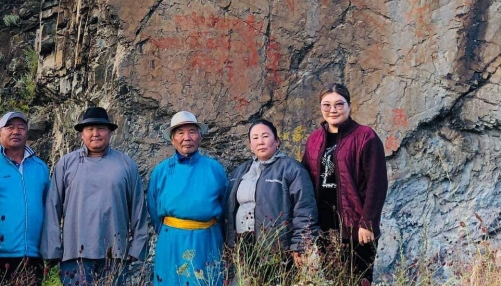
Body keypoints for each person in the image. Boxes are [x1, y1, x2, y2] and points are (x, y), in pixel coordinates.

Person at [40, 106, 149, 286]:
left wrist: (136, 247)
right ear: (82, 134)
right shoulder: (66, 164)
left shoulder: (126, 165)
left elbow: (138, 208)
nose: (95, 133)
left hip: (114, 254)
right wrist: (52, 249)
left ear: (110, 132)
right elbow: (53, 208)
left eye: (101, 128)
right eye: (90, 129)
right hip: (75, 254)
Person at [301, 83, 388, 285]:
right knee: (333, 280)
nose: (332, 110)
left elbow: (377, 183)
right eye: (327, 105)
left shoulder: (365, 136)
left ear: (349, 106)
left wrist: (368, 223)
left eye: (339, 104)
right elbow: (305, 179)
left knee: (359, 280)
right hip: (324, 224)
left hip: (356, 226)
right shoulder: (314, 139)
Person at [225, 119, 319, 283]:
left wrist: (300, 245)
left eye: (265, 136)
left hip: (276, 248)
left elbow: (304, 210)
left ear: (277, 141)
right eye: (255, 138)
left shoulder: (292, 169)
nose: (260, 142)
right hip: (243, 246)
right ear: (250, 145)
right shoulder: (239, 172)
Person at [147, 111, 228, 286]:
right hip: (171, 240)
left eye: (192, 132)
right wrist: (171, 230)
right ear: (172, 139)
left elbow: (225, 205)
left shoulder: (215, 169)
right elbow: (153, 208)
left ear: (199, 136)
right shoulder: (161, 171)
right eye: (180, 133)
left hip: (206, 240)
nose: (187, 138)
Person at [0, 111, 50, 286]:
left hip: (31, 255)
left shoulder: (40, 167)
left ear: (27, 132)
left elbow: (48, 208)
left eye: (21, 127)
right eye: (10, 127)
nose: (16, 131)